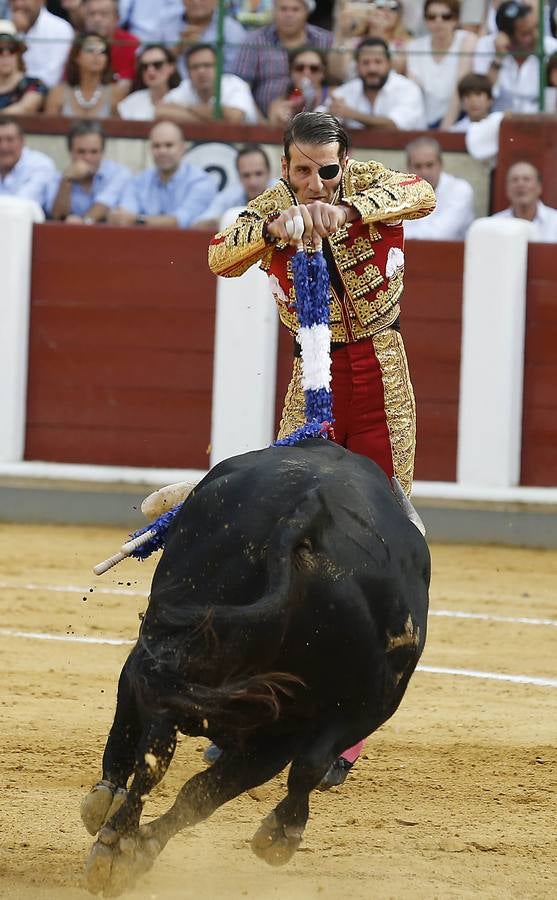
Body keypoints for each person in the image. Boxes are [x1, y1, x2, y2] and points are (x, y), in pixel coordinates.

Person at [208, 110, 435, 786]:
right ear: (283, 165)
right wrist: (276, 226)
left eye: (325, 170)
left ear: (344, 163)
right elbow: (221, 255)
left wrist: (348, 211)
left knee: (379, 537)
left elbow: (418, 193)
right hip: (312, 379)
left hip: (378, 374)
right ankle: (253, 709)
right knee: (279, 530)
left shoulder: (364, 182)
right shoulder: (270, 204)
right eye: (301, 170)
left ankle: (348, 728)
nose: (313, 182)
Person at [107, 119, 217, 228]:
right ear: (150, 149)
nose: (162, 151)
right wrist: (120, 216)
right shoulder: (139, 180)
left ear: (182, 148)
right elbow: (124, 215)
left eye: (169, 145)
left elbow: (179, 222)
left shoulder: (201, 182)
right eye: (156, 146)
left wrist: (137, 220)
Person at [235, 0, 333, 116]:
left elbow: (338, 80)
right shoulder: (255, 41)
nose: (289, 15)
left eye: (295, 9)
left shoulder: (325, 40)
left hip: (318, 121)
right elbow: (240, 88)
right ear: (274, 11)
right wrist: (260, 123)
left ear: (307, 12)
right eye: (283, 9)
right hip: (264, 123)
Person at [326, 36, 427, 130]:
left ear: (389, 63)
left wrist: (352, 114)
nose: (372, 69)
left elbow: (394, 125)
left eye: (378, 62)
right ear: (357, 66)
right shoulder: (348, 90)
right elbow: (321, 116)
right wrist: (330, 113)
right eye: (366, 63)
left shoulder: (408, 89)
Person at [473, 1, 557, 113]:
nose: (536, 35)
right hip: (497, 120)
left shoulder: (552, 48)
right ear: (507, 36)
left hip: (540, 121)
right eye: (526, 33)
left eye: (536, 27)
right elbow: (481, 96)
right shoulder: (485, 46)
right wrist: (498, 59)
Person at [405, 0, 477, 128]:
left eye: (446, 17)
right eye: (432, 17)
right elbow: (413, 94)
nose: (439, 21)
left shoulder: (467, 40)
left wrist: (444, 130)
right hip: (422, 124)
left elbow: (460, 87)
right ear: (425, 20)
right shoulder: (413, 46)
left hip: (458, 121)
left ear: (456, 19)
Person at [46, 119, 131, 222]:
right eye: (81, 152)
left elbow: (103, 206)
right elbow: (57, 217)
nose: (88, 158)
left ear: (102, 152)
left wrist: (82, 223)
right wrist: (66, 181)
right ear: (70, 152)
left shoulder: (119, 174)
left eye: (94, 152)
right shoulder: (57, 178)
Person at [157, 42, 260, 124]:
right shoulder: (186, 86)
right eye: (195, 67)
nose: (201, 72)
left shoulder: (234, 84)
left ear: (219, 68)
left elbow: (234, 118)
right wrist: (215, 120)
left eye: (207, 65)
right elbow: (160, 113)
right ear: (188, 72)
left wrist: (188, 108)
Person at [403, 136, 474, 239]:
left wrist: (401, 235)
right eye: (418, 166)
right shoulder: (400, 192)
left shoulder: (460, 190)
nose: (424, 172)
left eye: (429, 165)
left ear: (441, 164)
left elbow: (439, 235)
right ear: (409, 169)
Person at [44, 31, 128, 117]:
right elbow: (49, 128)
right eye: (90, 50)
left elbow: (121, 128)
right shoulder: (58, 93)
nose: (97, 55)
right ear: (76, 57)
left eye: (102, 51)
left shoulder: (117, 93)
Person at [194, 143, 273, 229]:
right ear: (238, 176)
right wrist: (226, 220)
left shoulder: (283, 192)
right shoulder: (230, 195)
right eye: (246, 175)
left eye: (258, 174)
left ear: (269, 173)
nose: (252, 182)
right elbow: (199, 225)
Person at [160, 0, 247, 78]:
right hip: (172, 91)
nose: (196, 1)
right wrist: (177, 50)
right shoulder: (166, 26)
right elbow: (152, 66)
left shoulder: (232, 29)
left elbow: (235, 74)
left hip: (217, 92)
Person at [330, 0, 412, 81]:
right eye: (379, 4)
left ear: (399, 15)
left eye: (393, 7)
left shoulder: (406, 43)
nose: (385, 10)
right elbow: (337, 73)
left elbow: (399, 70)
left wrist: (379, 33)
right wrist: (342, 32)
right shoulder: (353, 41)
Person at [8, 0, 74, 87]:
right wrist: (14, 32)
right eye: (13, 0)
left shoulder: (60, 28)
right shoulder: (6, 27)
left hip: (43, 96)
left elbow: (51, 79)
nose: (18, 4)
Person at [491, 160, 557, 242]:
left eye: (526, 179)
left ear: (539, 187)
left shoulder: (555, 221)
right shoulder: (495, 224)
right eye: (515, 180)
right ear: (507, 189)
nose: (520, 184)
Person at [0, 113, 55, 208]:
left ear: (22, 141)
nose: (3, 146)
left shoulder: (40, 165)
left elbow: (21, 205)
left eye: (10, 140)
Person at [267, 45, 329, 127]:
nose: (306, 73)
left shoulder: (334, 97)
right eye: (299, 68)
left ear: (323, 72)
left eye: (314, 68)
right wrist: (281, 121)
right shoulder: (278, 104)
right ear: (291, 71)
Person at [117, 43, 180, 120]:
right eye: (144, 66)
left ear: (172, 67)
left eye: (157, 64)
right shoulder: (132, 101)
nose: (150, 70)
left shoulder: (184, 96)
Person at [0, 18, 47, 112]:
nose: (6, 54)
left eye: (12, 48)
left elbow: (25, 108)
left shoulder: (34, 84)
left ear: (19, 53)